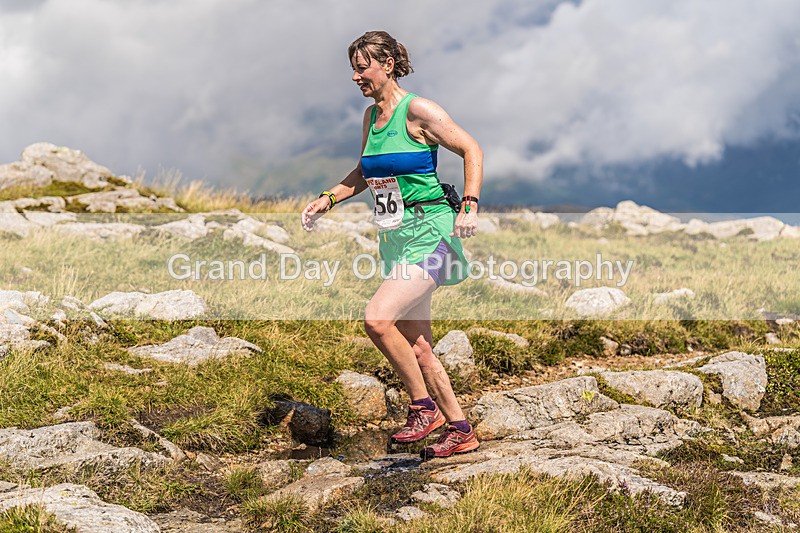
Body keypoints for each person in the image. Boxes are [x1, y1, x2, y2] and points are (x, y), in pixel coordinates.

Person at [301, 30, 483, 459]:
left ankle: (423, 409)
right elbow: (365, 173)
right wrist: (328, 199)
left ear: (387, 65)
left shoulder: (417, 111)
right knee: (419, 347)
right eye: (353, 68)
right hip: (397, 239)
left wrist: (469, 205)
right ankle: (461, 430)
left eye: (362, 67)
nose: (355, 76)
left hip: (433, 234)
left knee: (378, 319)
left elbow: (471, 149)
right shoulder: (371, 118)